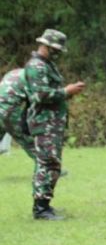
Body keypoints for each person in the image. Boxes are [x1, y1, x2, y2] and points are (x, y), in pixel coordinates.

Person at [24, 29, 86, 220]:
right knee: (47, 163)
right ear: (47, 46)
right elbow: (40, 95)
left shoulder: (47, 65)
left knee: (51, 163)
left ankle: (45, 204)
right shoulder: (37, 66)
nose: (58, 53)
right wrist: (67, 91)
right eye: (56, 49)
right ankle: (40, 208)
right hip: (44, 123)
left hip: (51, 123)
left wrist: (67, 92)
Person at [0, 68, 36, 161]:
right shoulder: (32, 79)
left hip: (3, 109)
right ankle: (49, 167)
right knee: (29, 142)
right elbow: (35, 102)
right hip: (8, 111)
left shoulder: (13, 73)